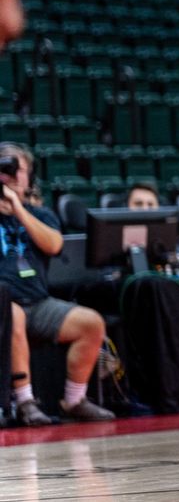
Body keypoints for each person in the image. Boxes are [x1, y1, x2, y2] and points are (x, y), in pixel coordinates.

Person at [0, 143, 114, 423]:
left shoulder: (41, 214)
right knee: (11, 314)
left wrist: (18, 209)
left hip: (38, 303)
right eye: (4, 168)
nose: (11, 175)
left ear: (30, 177)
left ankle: (74, 400)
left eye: (17, 169)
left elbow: (53, 244)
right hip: (4, 306)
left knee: (91, 323)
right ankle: (25, 402)